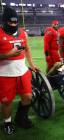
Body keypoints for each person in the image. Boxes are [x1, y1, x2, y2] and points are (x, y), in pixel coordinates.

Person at [0, 6, 38, 135]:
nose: (13, 24)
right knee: (6, 102)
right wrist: (6, 55)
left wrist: (31, 64)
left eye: (15, 22)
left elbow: (27, 48)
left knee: (28, 97)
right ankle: (7, 122)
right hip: (4, 74)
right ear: (4, 21)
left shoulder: (22, 32)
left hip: (22, 72)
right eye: (10, 22)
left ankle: (21, 118)